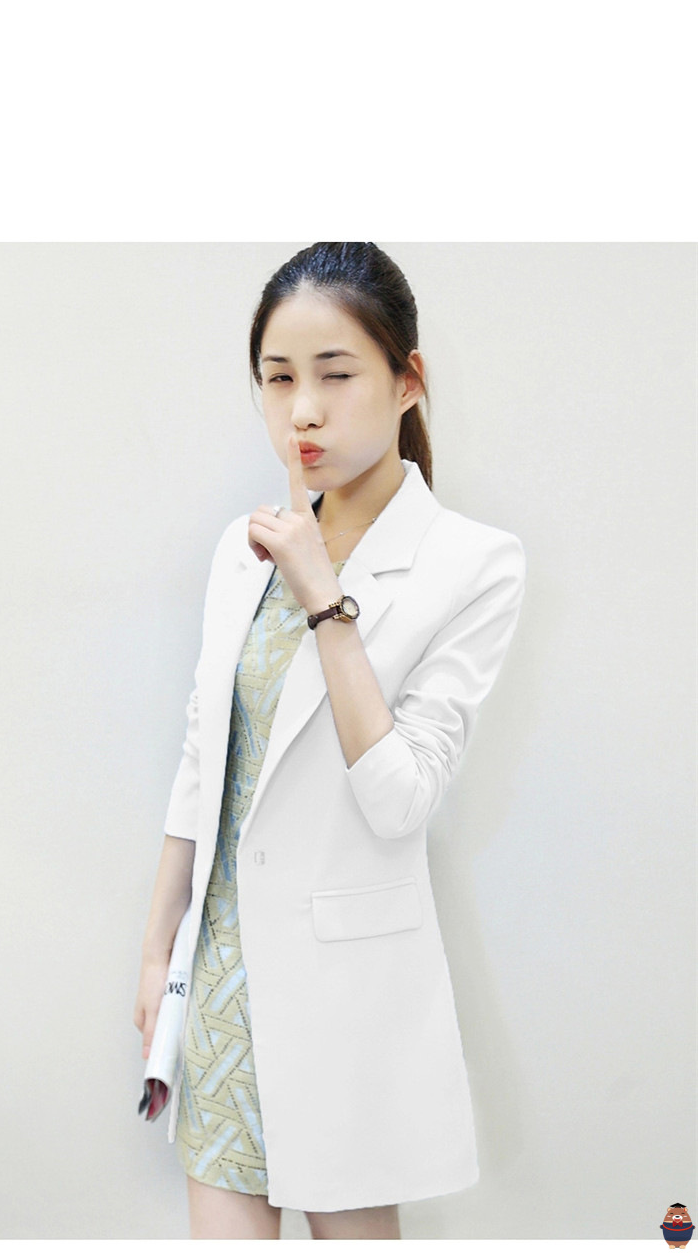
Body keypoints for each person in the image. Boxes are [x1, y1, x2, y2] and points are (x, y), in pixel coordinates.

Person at [133, 242, 526, 1240]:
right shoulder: (243, 548)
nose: (302, 410)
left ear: (407, 379)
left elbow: (401, 800)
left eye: (335, 374)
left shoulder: (474, 565)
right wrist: (158, 951)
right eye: (278, 379)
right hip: (221, 982)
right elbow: (202, 762)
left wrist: (324, 598)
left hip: (343, 996)